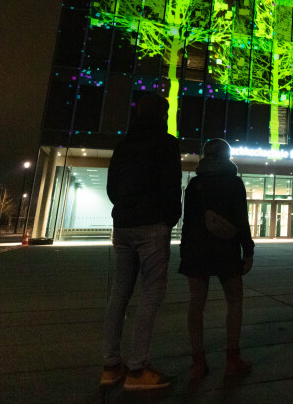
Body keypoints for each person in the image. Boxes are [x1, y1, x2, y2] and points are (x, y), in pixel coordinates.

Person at [101, 93, 182, 390]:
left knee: (119, 293)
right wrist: (168, 218)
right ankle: (138, 369)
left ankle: (111, 366)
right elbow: (172, 186)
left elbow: (112, 186)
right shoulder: (166, 143)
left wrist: (124, 208)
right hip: (151, 226)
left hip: (123, 225)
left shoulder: (123, 145)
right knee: (151, 293)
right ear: (163, 114)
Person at [179, 138, 254, 380]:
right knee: (234, 302)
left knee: (196, 304)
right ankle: (232, 358)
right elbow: (241, 219)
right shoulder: (234, 183)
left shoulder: (195, 185)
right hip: (226, 249)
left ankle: (198, 362)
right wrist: (248, 250)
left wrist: (184, 252)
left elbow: (187, 223)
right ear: (227, 156)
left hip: (196, 249)